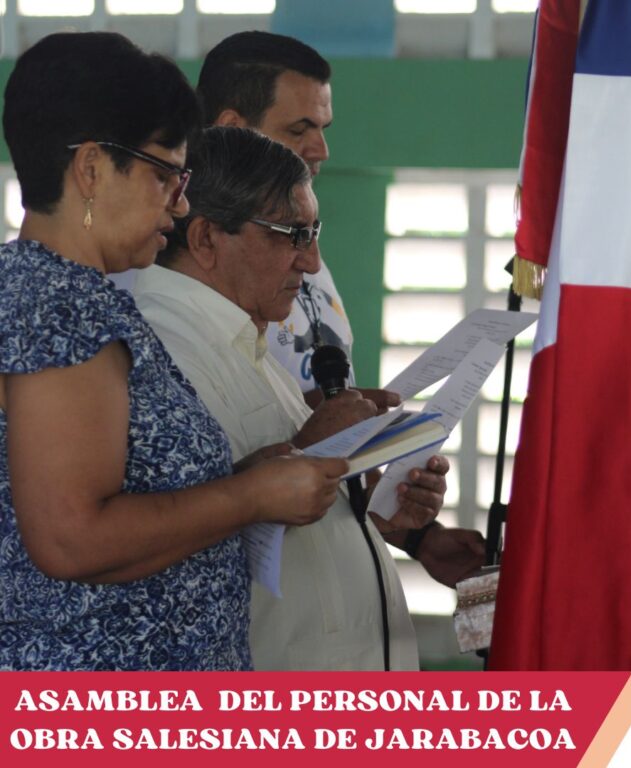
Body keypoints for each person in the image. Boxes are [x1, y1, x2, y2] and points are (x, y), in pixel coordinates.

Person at [0, 32, 346, 671]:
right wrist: (250, 499)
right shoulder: (59, 302)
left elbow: (121, 495)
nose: (182, 202)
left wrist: (250, 476)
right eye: (165, 174)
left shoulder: (75, 293)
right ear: (93, 169)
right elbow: (70, 539)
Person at [134, 127, 449, 669]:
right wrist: (310, 448)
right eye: (292, 234)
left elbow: (275, 520)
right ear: (207, 239)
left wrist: (372, 516)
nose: (311, 262)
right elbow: (146, 543)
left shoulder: (247, 342)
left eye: (314, 232)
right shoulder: (160, 348)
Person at [197, 30, 485, 588]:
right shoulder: (192, 271)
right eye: (298, 129)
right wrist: (311, 430)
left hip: (338, 584)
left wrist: (410, 526)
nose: (321, 150)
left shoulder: (308, 262)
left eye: (323, 129)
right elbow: (183, 488)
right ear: (233, 130)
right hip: (251, 601)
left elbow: (328, 447)